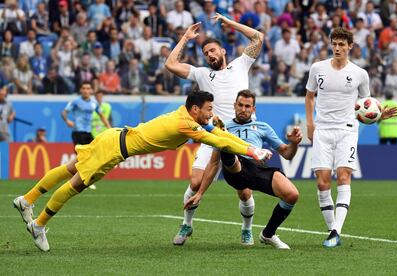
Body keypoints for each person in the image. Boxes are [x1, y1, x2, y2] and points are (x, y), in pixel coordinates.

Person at [13, 91, 272, 252]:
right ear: (195, 110)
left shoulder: (186, 116)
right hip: (114, 150)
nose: (212, 114)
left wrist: (247, 147)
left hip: (113, 136)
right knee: (77, 183)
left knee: (70, 167)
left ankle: (27, 200)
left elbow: (220, 134)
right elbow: (219, 141)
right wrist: (252, 151)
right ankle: (39, 225)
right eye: (208, 110)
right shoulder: (185, 124)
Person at [165, 13, 264, 245]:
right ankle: (186, 225)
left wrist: (230, 24)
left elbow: (258, 38)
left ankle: (246, 229)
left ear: (223, 52)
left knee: (244, 191)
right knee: (195, 182)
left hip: (241, 136)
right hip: (213, 135)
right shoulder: (202, 74)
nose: (209, 54)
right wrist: (185, 38)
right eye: (206, 52)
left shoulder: (241, 65)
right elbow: (170, 64)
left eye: (212, 50)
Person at [305, 28, 397, 248]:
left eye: (341, 44)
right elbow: (309, 96)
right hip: (323, 130)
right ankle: (332, 231)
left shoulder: (360, 74)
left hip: (347, 129)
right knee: (322, 183)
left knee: (343, 176)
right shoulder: (317, 68)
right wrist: (310, 124)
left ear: (350, 46)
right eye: (334, 44)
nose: (337, 48)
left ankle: (336, 231)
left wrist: (379, 116)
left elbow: (366, 107)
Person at [185, 90, 301, 248]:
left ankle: (268, 234)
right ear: (234, 106)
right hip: (234, 169)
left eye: (248, 106)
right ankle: (233, 151)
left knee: (292, 195)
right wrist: (200, 193)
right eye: (240, 105)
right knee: (228, 147)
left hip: (256, 170)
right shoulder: (222, 128)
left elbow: (287, 154)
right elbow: (213, 163)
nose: (243, 109)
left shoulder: (263, 127)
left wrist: (294, 143)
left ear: (253, 109)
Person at [62, 81, 111, 146]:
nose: (85, 91)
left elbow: (102, 116)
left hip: (88, 132)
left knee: (94, 152)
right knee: (82, 154)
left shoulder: (94, 103)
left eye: (88, 89)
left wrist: (109, 128)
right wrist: (67, 121)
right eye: (83, 88)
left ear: (91, 90)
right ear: (80, 90)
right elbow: (64, 112)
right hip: (77, 132)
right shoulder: (75, 102)